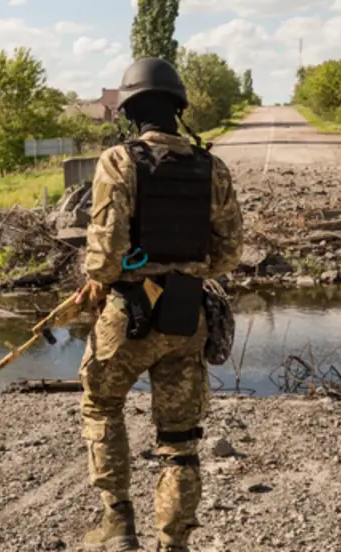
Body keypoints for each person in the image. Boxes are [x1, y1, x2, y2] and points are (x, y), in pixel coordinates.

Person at [72, 57, 244, 552]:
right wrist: (185, 270)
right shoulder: (212, 167)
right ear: (178, 108)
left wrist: (103, 279)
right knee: (180, 442)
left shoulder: (118, 161)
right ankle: (174, 543)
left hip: (128, 318)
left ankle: (118, 525)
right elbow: (229, 253)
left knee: (101, 405)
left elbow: (105, 257)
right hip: (186, 318)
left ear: (129, 111)